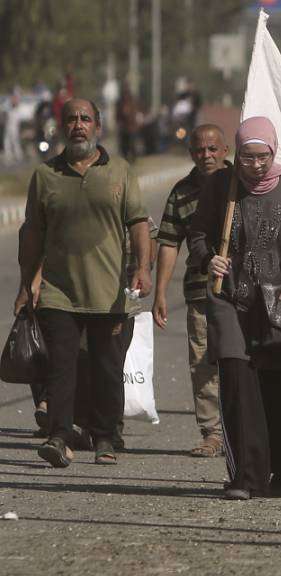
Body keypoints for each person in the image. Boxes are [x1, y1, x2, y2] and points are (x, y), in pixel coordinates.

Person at [189, 116, 281, 500]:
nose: (254, 166)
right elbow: (199, 233)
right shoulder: (222, 185)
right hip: (231, 300)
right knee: (236, 379)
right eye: (247, 158)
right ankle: (244, 476)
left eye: (262, 157)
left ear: (274, 151)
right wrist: (208, 260)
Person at [17, 98, 152, 468]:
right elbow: (32, 234)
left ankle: (105, 436)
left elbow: (139, 223)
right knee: (61, 366)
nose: (79, 125)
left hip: (109, 294)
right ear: (62, 127)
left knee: (106, 370)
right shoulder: (45, 176)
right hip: (59, 293)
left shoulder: (120, 171)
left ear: (98, 126)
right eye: (72, 119)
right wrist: (26, 283)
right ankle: (60, 436)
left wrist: (144, 267)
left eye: (85, 118)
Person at [152, 124, 229, 457]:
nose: (206, 156)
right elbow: (169, 242)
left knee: (243, 362)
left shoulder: (241, 184)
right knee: (202, 363)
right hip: (200, 294)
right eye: (200, 150)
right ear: (191, 153)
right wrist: (159, 294)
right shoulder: (182, 192)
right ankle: (212, 432)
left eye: (213, 149)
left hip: (241, 295)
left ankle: (244, 427)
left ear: (224, 151)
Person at [116, 83, 141, 163]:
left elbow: (136, 112)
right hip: (124, 127)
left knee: (132, 144)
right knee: (124, 145)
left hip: (132, 127)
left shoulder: (133, 101)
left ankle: (133, 157)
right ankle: (125, 157)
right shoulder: (120, 102)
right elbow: (118, 115)